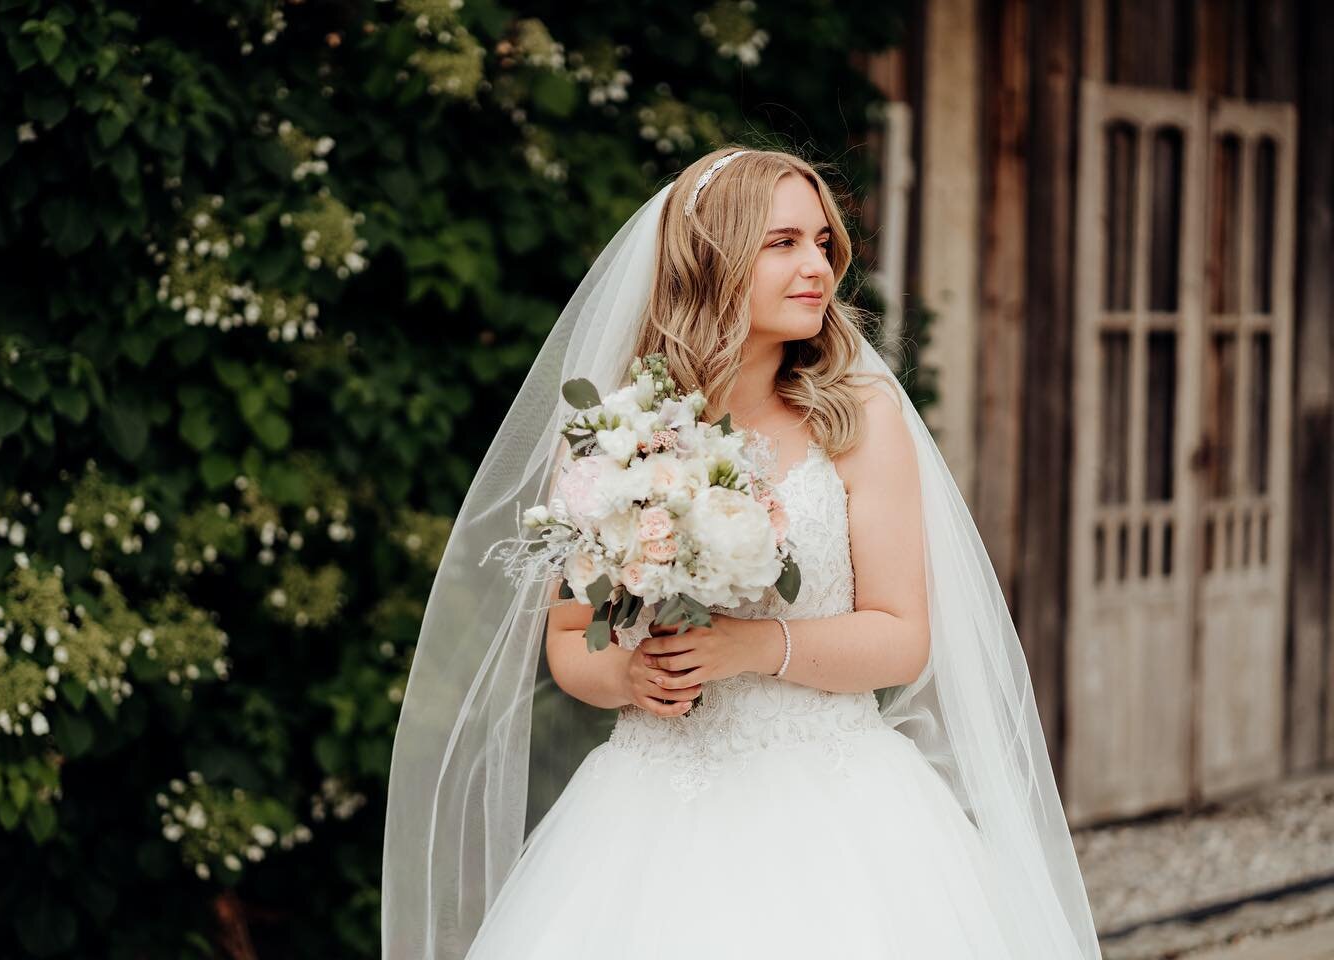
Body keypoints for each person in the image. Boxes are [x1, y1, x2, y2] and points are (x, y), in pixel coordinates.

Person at [382, 146, 1104, 959]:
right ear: (714, 260)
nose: (817, 267)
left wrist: (750, 646)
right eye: (783, 243)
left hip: (838, 813)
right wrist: (628, 673)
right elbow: (567, 639)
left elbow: (902, 636)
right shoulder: (616, 433)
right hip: (651, 814)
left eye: (824, 244)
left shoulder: (856, 418)